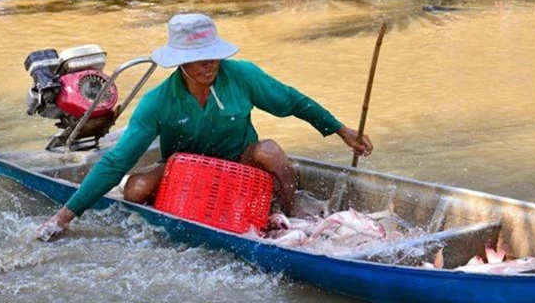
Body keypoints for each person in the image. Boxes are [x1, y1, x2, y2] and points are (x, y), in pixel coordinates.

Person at [37, 13, 373, 240]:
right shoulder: (158, 100)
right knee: (134, 189)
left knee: (269, 150)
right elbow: (117, 161)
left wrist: (341, 130)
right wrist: (65, 216)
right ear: (180, 61)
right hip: (185, 172)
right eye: (199, 58)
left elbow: (292, 101)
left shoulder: (242, 76)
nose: (209, 64)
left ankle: (288, 211)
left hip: (239, 163)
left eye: (213, 55)